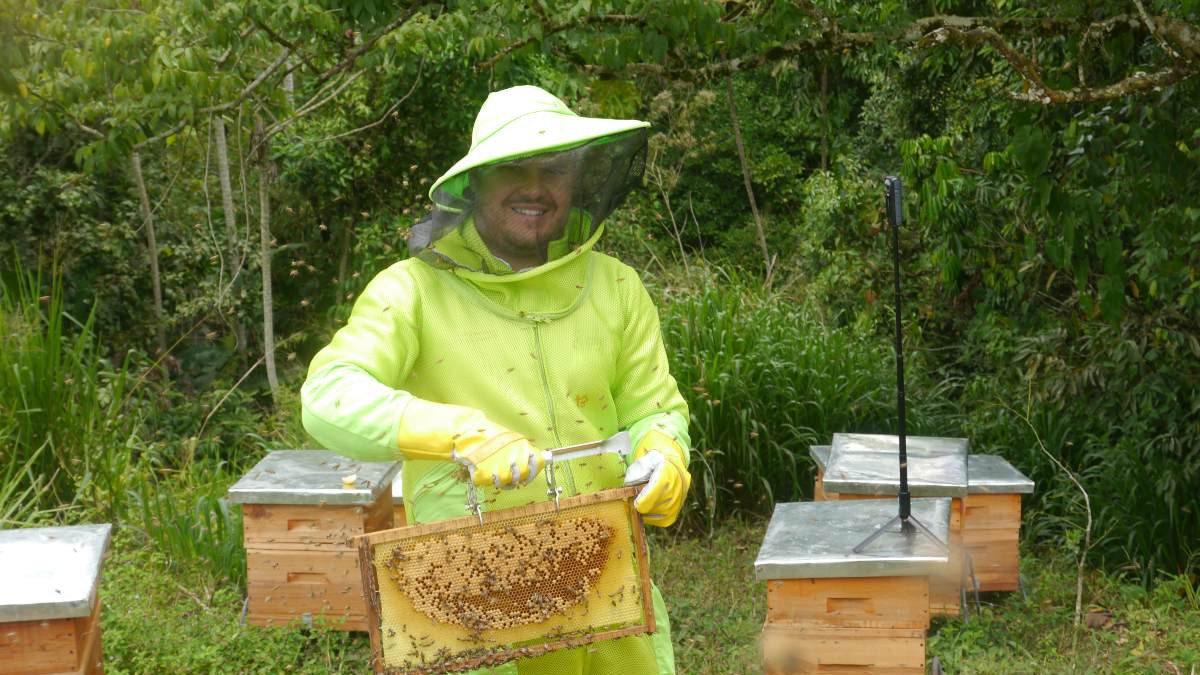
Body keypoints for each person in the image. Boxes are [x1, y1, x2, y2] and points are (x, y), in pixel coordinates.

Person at [300, 85, 691, 674]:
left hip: (606, 575)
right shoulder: (411, 291)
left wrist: (664, 450)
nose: (533, 186)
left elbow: (652, 406)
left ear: (576, 178)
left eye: (552, 168)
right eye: (511, 166)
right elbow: (329, 396)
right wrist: (458, 433)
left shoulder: (616, 286)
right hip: (470, 593)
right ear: (474, 182)